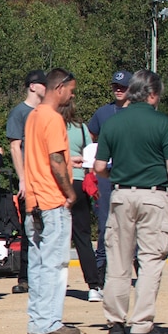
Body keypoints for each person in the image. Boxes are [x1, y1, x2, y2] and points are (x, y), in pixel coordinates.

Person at [93, 68, 168, 334]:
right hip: (154, 195)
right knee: (149, 260)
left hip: (122, 195)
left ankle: (115, 321)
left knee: (118, 261)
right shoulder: (162, 124)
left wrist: (116, 176)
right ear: (152, 94)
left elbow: (99, 166)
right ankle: (142, 323)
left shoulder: (112, 123)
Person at [21, 70, 81, 334]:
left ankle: (37, 321)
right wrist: (69, 192)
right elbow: (56, 159)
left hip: (33, 201)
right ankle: (49, 323)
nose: (72, 95)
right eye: (70, 90)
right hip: (52, 200)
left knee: (37, 264)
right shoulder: (54, 119)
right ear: (59, 88)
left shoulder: (32, 116)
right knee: (55, 266)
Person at [86, 69, 133, 288]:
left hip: (131, 173)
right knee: (105, 223)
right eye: (115, 86)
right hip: (106, 173)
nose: (118, 89)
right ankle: (100, 272)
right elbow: (90, 136)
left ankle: (138, 271)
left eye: (123, 86)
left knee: (133, 223)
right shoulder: (104, 113)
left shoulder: (137, 112)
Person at [5, 70, 48, 294]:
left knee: (44, 230)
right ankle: (25, 278)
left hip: (46, 181)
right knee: (28, 229)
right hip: (29, 180)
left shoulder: (47, 112)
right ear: (32, 86)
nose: (47, 88)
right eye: (43, 84)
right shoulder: (19, 113)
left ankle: (41, 275)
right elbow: (14, 147)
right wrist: (22, 179)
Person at [66, 104, 102, 300]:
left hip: (58, 183)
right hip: (79, 182)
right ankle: (93, 285)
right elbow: (91, 155)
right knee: (83, 236)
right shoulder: (81, 127)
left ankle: (54, 283)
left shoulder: (52, 125)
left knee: (58, 238)